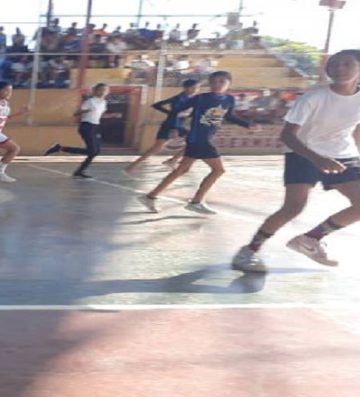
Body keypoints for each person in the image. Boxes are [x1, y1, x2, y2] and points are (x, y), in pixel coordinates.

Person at [231, 49, 360, 273]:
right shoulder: (314, 97)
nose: (339, 68)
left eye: (347, 64)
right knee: (293, 207)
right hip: (302, 151)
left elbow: (356, 130)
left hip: (343, 154)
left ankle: (311, 239)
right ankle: (249, 251)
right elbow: (287, 135)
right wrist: (317, 159)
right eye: (334, 64)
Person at [137, 71, 259, 215]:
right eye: (213, 82)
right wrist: (175, 127)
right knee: (218, 170)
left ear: (229, 84)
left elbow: (230, 116)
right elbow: (176, 111)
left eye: (221, 81)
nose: (217, 84)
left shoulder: (229, 99)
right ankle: (196, 202)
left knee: (181, 170)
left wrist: (247, 125)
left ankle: (150, 197)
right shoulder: (201, 98)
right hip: (199, 139)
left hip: (203, 138)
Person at [123, 78, 199, 175]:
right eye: (194, 87)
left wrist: (171, 113)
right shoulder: (179, 99)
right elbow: (173, 113)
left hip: (171, 124)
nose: (196, 90)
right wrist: (174, 128)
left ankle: (132, 166)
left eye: (197, 88)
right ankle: (173, 160)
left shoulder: (190, 99)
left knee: (156, 148)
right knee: (195, 142)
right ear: (186, 88)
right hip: (173, 125)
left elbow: (158, 105)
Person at [43, 83, 118, 178]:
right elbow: (77, 113)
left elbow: (100, 115)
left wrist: (112, 115)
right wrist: (85, 111)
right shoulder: (90, 101)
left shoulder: (103, 103)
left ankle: (78, 170)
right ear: (96, 91)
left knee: (96, 151)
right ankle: (60, 149)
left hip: (95, 126)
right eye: (101, 90)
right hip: (87, 126)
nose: (103, 92)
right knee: (92, 151)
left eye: (105, 90)